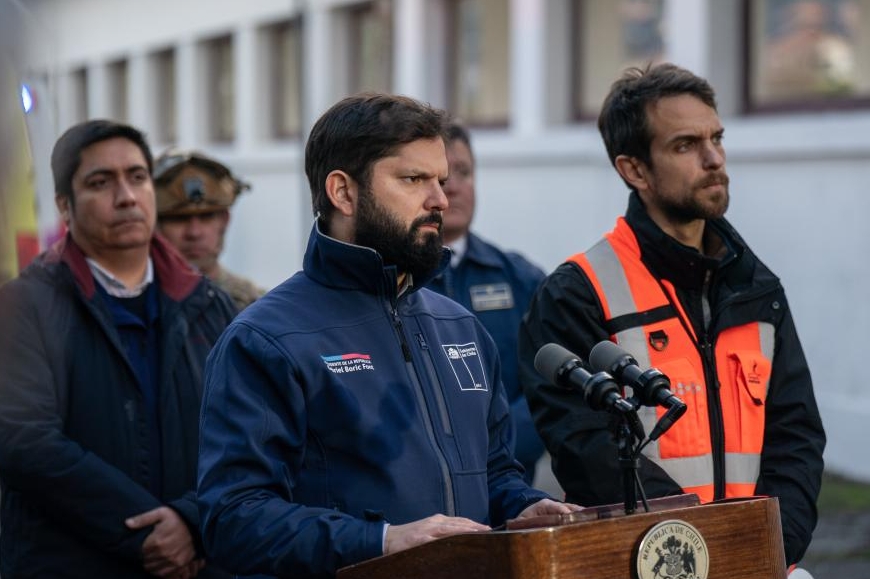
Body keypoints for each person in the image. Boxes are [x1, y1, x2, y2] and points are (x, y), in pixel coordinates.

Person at [197, 93, 580, 578]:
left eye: (441, 180)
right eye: (413, 179)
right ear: (343, 192)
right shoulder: (266, 339)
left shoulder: (460, 326)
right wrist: (380, 541)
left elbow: (495, 473)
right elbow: (233, 517)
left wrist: (523, 505)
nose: (440, 199)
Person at [518, 63, 826, 568]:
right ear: (634, 170)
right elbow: (588, 452)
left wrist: (771, 550)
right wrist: (700, 555)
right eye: (685, 145)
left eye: (716, 139)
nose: (714, 159)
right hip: (651, 564)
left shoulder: (756, 287)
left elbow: (796, 436)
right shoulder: (578, 292)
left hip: (760, 561)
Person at [0, 120, 237, 578]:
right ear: (64, 205)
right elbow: (24, 442)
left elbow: (247, 433)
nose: (126, 197)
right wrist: (146, 533)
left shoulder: (209, 304)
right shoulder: (24, 307)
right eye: (100, 182)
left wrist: (191, 520)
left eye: (137, 177)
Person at [426, 121, 547, 485]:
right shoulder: (393, 283)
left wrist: (494, 450)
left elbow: (547, 387)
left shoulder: (519, 278)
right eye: (441, 176)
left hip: (511, 490)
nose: (454, 187)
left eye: (464, 172)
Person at [154, 148, 265, 311]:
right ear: (155, 225)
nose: (194, 233)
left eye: (207, 217)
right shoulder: (138, 303)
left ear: (225, 221)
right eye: (179, 219)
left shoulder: (255, 306)